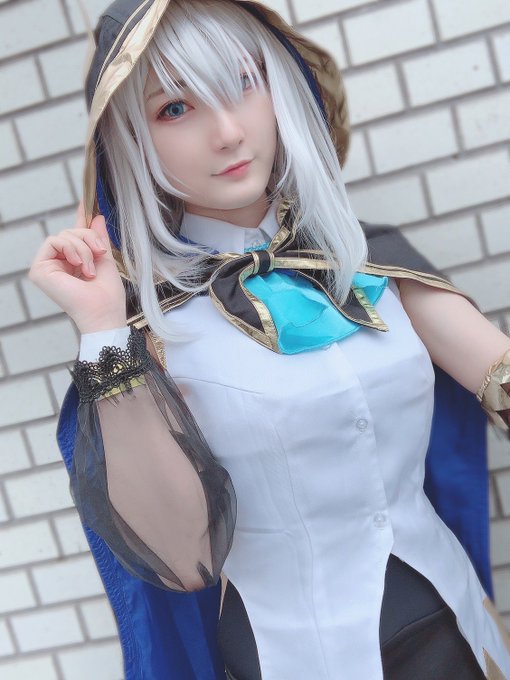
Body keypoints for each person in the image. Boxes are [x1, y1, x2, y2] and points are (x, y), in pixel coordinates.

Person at [29, 0, 510, 678]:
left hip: (454, 623)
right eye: (175, 108)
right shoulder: (146, 337)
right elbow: (181, 559)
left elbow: (499, 373)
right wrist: (104, 331)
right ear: (129, 142)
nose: (228, 133)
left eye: (243, 82)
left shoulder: (369, 261)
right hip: (294, 656)